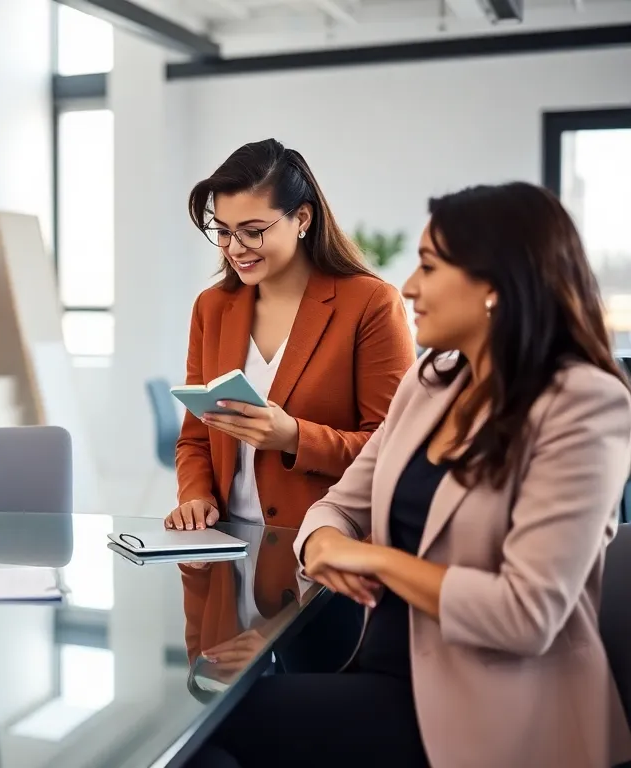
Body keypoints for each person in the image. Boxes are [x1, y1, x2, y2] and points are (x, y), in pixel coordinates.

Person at [204, 182, 631, 768]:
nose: (408, 287)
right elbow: (339, 505)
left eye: (429, 267)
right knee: (211, 721)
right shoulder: (430, 383)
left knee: (223, 732)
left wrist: (374, 559)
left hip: (498, 709)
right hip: (391, 676)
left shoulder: (586, 405)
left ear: (494, 286)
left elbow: (525, 615)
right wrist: (324, 542)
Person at [167, 139, 415, 533]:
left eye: (252, 231)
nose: (234, 248)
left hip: (327, 551)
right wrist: (196, 496)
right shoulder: (212, 307)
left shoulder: (370, 304)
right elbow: (197, 438)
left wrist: (294, 437)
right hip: (226, 547)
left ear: (301, 218)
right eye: (224, 231)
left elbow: (396, 450)